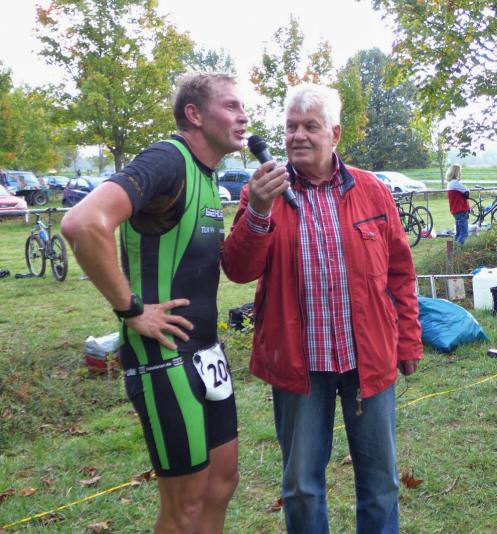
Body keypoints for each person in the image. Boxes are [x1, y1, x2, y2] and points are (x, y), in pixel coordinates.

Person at [221, 83, 422, 533]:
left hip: (367, 357)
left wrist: (408, 341)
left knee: (380, 483)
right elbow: (237, 269)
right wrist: (258, 210)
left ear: (335, 133)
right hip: (300, 363)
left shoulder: (371, 190)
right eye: (290, 126)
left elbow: (400, 273)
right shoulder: (263, 192)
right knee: (301, 486)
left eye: (310, 126)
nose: (298, 136)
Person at [61, 73, 245, 533]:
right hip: (162, 358)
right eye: (231, 106)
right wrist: (131, 309)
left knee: (222, 484)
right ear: (194, 114)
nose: (243, 116)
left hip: (207, 352)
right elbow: (83, 223)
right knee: (185, 505)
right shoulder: (168, 159)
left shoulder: (207, 174)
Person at [446, 164, 470, 244]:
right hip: (460, 209)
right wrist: (467, 189)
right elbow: (467, 193)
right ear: (456, 172)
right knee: (464, 233)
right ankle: (458, 248)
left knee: (459, 232)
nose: (460, 173)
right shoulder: (455, 183)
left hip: (456, 210)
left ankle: (455, 248)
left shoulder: (450, 183)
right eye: (460, 172)